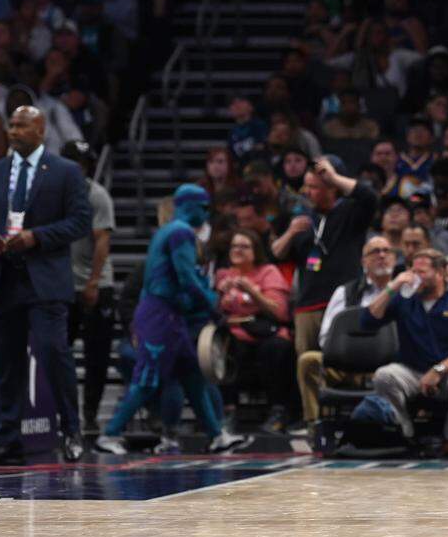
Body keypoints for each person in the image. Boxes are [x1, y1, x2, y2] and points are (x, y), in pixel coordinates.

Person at [0, 107, 92, 465]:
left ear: (40, 129)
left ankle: (71, 431)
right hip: (1, 278)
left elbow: (80, 222)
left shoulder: (65, 171)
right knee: (6, 364)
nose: (14, 131)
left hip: (44, 279)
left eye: (22, 125)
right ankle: (8, 438)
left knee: (55, 354)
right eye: (11, 125)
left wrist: (36, 237)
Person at [95, 185, 249, 455]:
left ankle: (217, 435)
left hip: (167, 314)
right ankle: (109, 434)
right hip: (161, 316)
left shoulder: (168, 231)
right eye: (203, 207)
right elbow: (187, 278)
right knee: (147, 378)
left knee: (193, 376)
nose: (205, 213)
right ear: (188, 205)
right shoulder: (180, 233)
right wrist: (212, 304)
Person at [362, 248, 448, 442]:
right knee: (384, 375)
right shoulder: (404, 300)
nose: (415, 278)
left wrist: (439, 370)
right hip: (412, 371)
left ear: (440, 273)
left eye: (422, 272)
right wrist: (393, 286)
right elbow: (367, 320)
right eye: (413, 272)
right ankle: (403, 432)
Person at [271, 156, 377, 357]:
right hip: (307, 307)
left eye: (314, 187)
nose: (306, 192)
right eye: (306, 186)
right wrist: (290, 233)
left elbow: (370, 197)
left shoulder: (350, 213)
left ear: (332, 189)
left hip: (343, 303)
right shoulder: (303, 220)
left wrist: (334, 177)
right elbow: (277, 253)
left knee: (345, 362)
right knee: (307, 365)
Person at [296, 235, 396, 434]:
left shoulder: (406, 291)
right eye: (375, 252)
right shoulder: (346, 292)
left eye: (387, 251)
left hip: (390, 366)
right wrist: (351, 354)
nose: (382, 256)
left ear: (395, 258)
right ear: (363, 261)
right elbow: (326, 335)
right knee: (308, 360)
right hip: (347, 367)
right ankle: (315, 425)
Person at [213, 229, 294, 434]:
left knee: (276, 348)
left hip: (263, 331)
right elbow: (211, 311)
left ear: (255, 250)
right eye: (234, 246)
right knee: (221, 347)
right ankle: (228, 412)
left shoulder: (268, 272)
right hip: (233, 333)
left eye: (244, 246)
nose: (237, 250)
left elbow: (280, 312)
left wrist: (253, 292)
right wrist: (219, 293)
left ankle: (278, 411)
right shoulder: (223, 274)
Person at [61, 140, 116, 434]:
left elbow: (102, 240)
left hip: (95, 284)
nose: (78, 169)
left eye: (82, 164)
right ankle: (63, 414)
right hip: (61, 286)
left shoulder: (97, 195)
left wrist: (93, 282)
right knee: (59, 352)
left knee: (97, 356)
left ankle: (91, 414)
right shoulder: (54, 193)